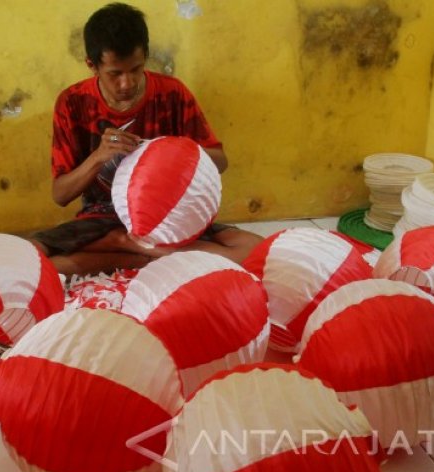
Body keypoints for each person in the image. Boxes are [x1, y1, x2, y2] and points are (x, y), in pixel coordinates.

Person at [29, 2, 262, 276]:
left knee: (254, 250)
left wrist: (170, 150)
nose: (127, 83)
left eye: (135, 69)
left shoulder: (172, 94)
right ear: (92, 65)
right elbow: (60, 194)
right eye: (115, 74)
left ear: (146, 57)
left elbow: (220, 161)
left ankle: (130, 247)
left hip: (170, 216)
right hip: (103, 216)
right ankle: (146, 254)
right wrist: (98, 158)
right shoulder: (73, 102)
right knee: (30, 255)